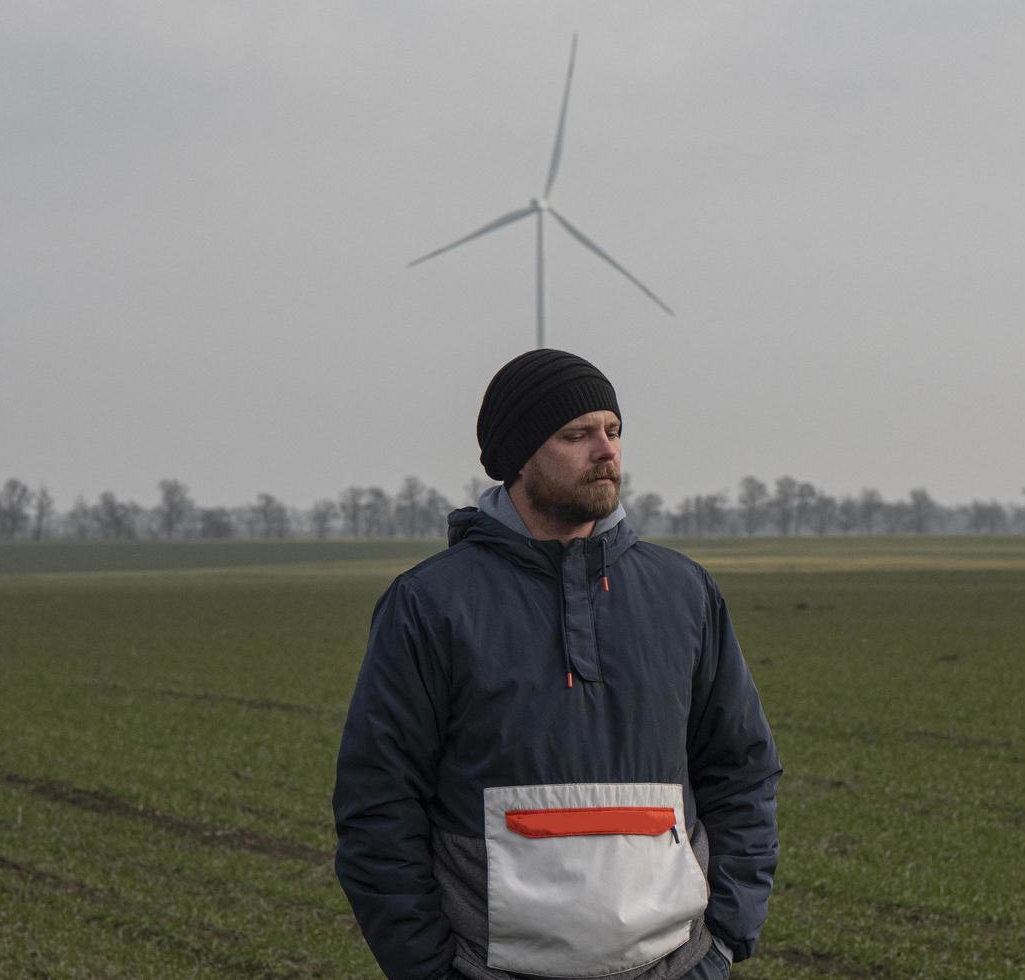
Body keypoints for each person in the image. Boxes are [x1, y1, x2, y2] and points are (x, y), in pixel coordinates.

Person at [333, 349, 781, 980]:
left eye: (614, 431)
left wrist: (725, 940)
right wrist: (430, 969)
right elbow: (378, 804)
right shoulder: (430, 603)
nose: (606, 451)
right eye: (577, 435)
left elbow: (742, 773)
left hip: (676, 968)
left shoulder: (685, 593)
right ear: (520, 456)